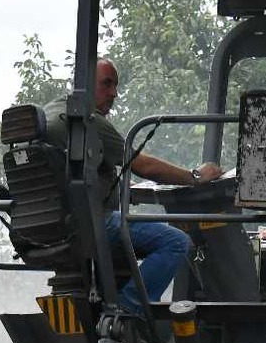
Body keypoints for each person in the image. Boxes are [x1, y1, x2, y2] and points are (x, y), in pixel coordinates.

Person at [48, 58, 224, 317]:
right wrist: (195, 176)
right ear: (83, 84)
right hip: (91, 223)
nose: (114, 94)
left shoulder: (48, 114)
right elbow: (142, 165)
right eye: (107, 84)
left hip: (53, 225)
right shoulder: (86, 120)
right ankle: (128, 311)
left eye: (116, 86)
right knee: (176, 242)